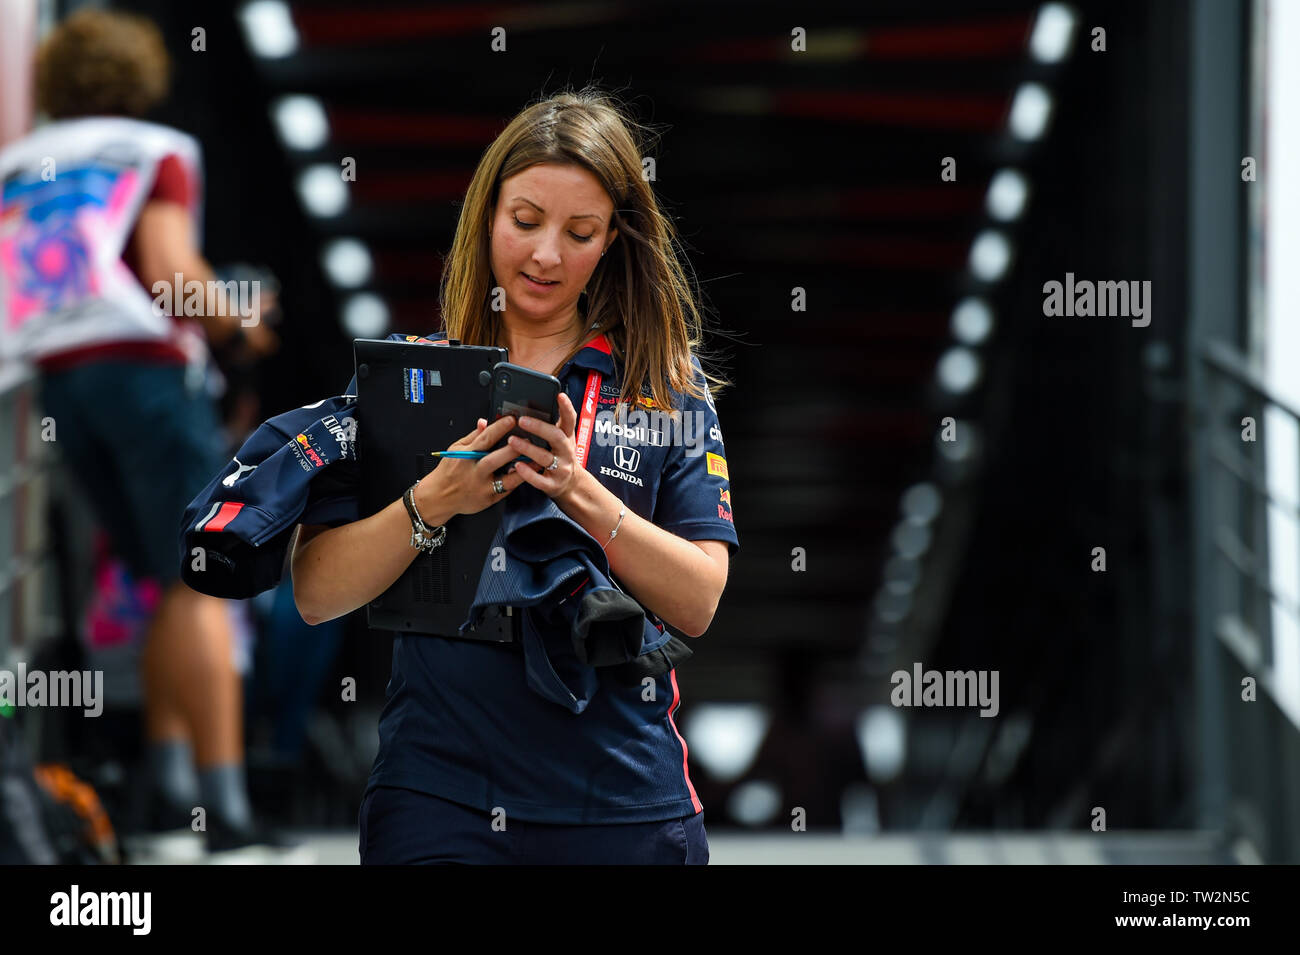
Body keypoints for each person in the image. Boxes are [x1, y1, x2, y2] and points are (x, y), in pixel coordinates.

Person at [291, 89, 739, 864]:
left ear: (613, 242)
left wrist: (579, 491)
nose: (545, 256)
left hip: (623, 805)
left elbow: (699, 598)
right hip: (439, 798)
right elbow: (316, 589)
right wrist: (435, 499)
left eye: (580, 232)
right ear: (486, 216)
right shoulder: (405, 378)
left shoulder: (666, 385)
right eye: (525, 221)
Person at [0, 9, 283, 858]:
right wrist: (241, 327)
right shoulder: (153, 149)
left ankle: (167, 794)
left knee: (166, 578)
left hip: (57, 380)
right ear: (139, 75)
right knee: (203, 572)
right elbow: (169, 275)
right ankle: (226, 813)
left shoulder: (18, 164)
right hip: (145, 371)